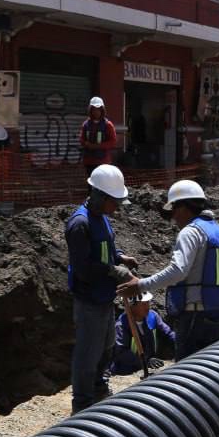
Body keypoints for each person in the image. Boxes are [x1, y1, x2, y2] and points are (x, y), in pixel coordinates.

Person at [119, 180, 219, 359]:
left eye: (173, 210)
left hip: (195, 318)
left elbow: (178, 271)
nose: (173, 217)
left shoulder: (190, 232)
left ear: (183, 207)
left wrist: (140, 285)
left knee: (189, 374)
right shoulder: (218, 231)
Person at [65, 164, 136, 413]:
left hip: (105, 297)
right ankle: (82, 405)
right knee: (88, 353)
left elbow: (105, 250)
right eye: (114, 202)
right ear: (100, 196)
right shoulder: (79, 224)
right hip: (89, 300)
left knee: (107, 347)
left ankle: (99, 389)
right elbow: (83, 267)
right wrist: (112, 271)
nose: (116, 208)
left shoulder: (101, 219)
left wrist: (120, 257)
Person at [110, 292, 175, 375]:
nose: (147, 307)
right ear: (132, 306)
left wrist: (181, 343)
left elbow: (168, 333)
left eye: (148, 303)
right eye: (143, 304)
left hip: (149, 363)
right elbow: (121, 351)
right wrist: (145, 361)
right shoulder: (122, 325)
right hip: (126, 368)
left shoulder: (152, 316)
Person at [80, 97, 118, 170]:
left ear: (102, 110)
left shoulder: (108, 125)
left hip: (103, 162)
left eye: (98, 109)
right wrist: (86, 143)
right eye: (94, 109)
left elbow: (113, 142)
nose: (96, 112)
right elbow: (82, 139)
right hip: (89, 161)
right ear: (90, 110)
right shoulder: (86, 124)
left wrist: (97, 146)